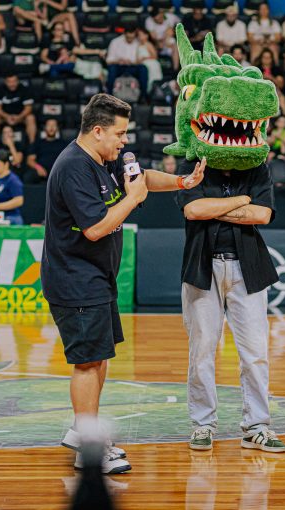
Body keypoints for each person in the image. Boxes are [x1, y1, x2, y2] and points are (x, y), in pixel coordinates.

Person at [41, 93, 205, 474]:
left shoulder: (104, 159)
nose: (124, 141)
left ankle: (86, 433)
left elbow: (142, 178)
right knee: (87, 363)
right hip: (74, 280)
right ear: (97, 131)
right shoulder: (73, 167)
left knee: (98, 358)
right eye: (119, 133)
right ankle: (88, 447)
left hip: (96, 279)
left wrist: (183, 181)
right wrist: (132, 200)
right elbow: (96, 228)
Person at [175, 139, 285, 457]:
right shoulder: (192, 163)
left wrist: (214, 208)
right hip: (202, 266)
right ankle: (203, 424)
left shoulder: (257, 167)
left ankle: (256, 426)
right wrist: (241, 201)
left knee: (255, 352)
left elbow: (262, 214)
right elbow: (193, 210)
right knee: (201, 351)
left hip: (248, 267)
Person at [0, 74, 37, 145]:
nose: (12, 84)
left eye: (14, 81)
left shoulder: (24, 89)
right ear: (5, 82)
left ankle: (32, 146)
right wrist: (6, 116)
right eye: (9, 82)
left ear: (18, 81)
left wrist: (19, 117)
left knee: (31, 118)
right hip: (4, 117)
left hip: (21, 117)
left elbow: (28, 108)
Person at [105, 25, 148, 101]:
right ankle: (110, 96)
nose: (130, 39)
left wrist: (133, 62)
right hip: (119, 66)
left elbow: (142, 59)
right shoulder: (115, 42)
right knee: (112, 69)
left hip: (132, 66)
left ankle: (143, 97)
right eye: (128, 37)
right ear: (124, 34)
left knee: (143, 69)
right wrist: (119, 61)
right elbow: (108, 60)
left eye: (132, 38)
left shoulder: (138, 42)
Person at [25, 118, 69, 184]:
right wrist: (38, 168)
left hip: (58, 171)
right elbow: (30, 160)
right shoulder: (37, 143)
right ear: (45, 128)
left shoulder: (64, 144)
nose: (51, 127)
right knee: (28, 176)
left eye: (54, 125)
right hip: (41, 170)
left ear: (57, 128)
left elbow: (68, 160)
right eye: (49, 125)